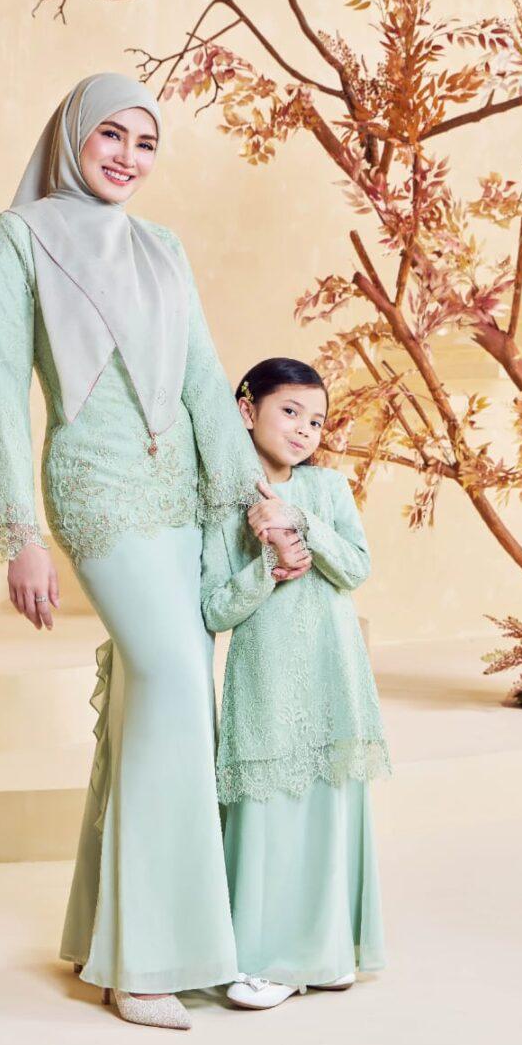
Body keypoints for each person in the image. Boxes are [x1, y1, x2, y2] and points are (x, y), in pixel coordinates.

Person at [0, 73, 266, 1029]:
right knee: (172, 681)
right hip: (95, 489)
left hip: (183, 492)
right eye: (111, 135)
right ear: (72, 136)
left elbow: (205, 377)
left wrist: (252, 500)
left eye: (146, 142)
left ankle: (128, 944)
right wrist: (20, 535)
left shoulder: (161, 246)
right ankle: (147, 965)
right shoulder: (19, 237)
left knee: (167, 698)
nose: (128, 157)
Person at [200, 357, 392, 1009]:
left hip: (334, 673)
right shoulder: (223, 500)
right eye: (290, 411)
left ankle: (329, 954)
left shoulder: (329, 489)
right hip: (267, 678)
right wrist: (269, 566)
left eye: (316, 420)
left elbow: (355, 569)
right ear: (246, 409)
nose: (305, 429)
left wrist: (302, 522)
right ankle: (268, 960)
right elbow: (215, 609)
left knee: (330, 811)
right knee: (270, 817)